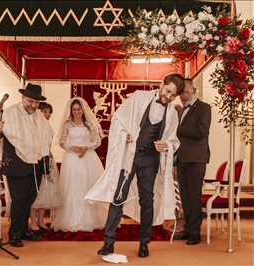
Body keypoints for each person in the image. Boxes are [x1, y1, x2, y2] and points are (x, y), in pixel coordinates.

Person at [86, 73, 185, 257]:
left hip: (151, 161)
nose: (169, 97)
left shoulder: (172, 112)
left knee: (147, 201)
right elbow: (118, 119)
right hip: (129, 157)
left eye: (173, 95)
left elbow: (174, 140)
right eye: (169, 91)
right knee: (118, 197)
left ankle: (144, 243)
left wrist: (167, 145)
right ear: (161, 84)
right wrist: (125, 135)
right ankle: (108, 243)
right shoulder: (139, 97)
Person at [0, 83, 54, 247]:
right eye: (30, 101)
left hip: (35, 164)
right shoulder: (10, 112)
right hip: (16, 163)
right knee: (19, 200)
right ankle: (14, 234)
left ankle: (24, 230)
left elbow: (48, 133)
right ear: (23, 97)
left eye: (35, 102)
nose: (32, 105)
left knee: (30, 198)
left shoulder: (39, 115)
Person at [53, 97, 106, 232]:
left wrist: (85, 148)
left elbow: (97, 141)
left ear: (83, 110)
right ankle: (71, 219)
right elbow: (62, 141)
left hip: (88, 158)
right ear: (71, 110)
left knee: (87, 187)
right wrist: (73, 148)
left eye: (79, 109)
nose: (77, 111)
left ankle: (91, 219)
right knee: (72, 188)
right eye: (74, 109)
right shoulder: (67, 124)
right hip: (71, 159)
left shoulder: (89, 124)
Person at [175, 79, 211, 245]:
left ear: (194, 90)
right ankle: (188, 229)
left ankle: (195, 233)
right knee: (185, 197)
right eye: (181, 93)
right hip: (182, 158)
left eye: (186, 92)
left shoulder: (204, 108)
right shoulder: (182, 110)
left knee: (194, 197)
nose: (183, 96)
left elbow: (201, 132)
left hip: (196, 159)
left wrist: (177, 126)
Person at [30, 102, 61, 231]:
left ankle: (41, 220)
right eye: (45, 111)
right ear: (39, 111)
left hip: (47, 158)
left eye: (49, 112)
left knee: (46, 191)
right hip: (36, 159)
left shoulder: (47, 126)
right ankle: (33, 221)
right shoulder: (33, 124)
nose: (47, 114)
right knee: (36, 192)